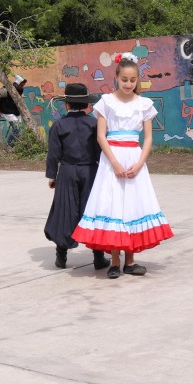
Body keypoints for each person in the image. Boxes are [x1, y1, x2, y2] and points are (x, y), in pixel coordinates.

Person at [71, 53, 173, 279]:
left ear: (137, 80)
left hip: (135, 160)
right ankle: (115, 261)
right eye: (124, 79)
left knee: (133, 207)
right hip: (112, 161)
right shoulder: (106, 102)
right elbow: (100, 136)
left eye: (133, 80)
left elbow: (147, 138)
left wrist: (138, 164)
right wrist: (115, 163)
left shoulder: (144, 104)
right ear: (116, 77)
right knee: (113, 206)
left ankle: (131, 260)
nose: (128, 84)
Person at [44, 83, 110, 271]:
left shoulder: (59, 125)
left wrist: (52, 176)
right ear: (87, 105)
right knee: (92, 211)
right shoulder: (94, 124)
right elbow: (101, 151)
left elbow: (53, 154)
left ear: (66, 105)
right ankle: (98, 257)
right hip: (91, 171)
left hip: (67, 172)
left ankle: (61, 257)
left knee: (65, 211)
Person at [0, 74, 27, 146]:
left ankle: (17, 146)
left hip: (15, 110)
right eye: (22, 83)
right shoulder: (7, 89)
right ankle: (8, 146)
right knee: (16, 129)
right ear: (18, 83)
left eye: (23, 83)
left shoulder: (21, 89)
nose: (23, 85)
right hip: (7, 111)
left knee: (20, 129)